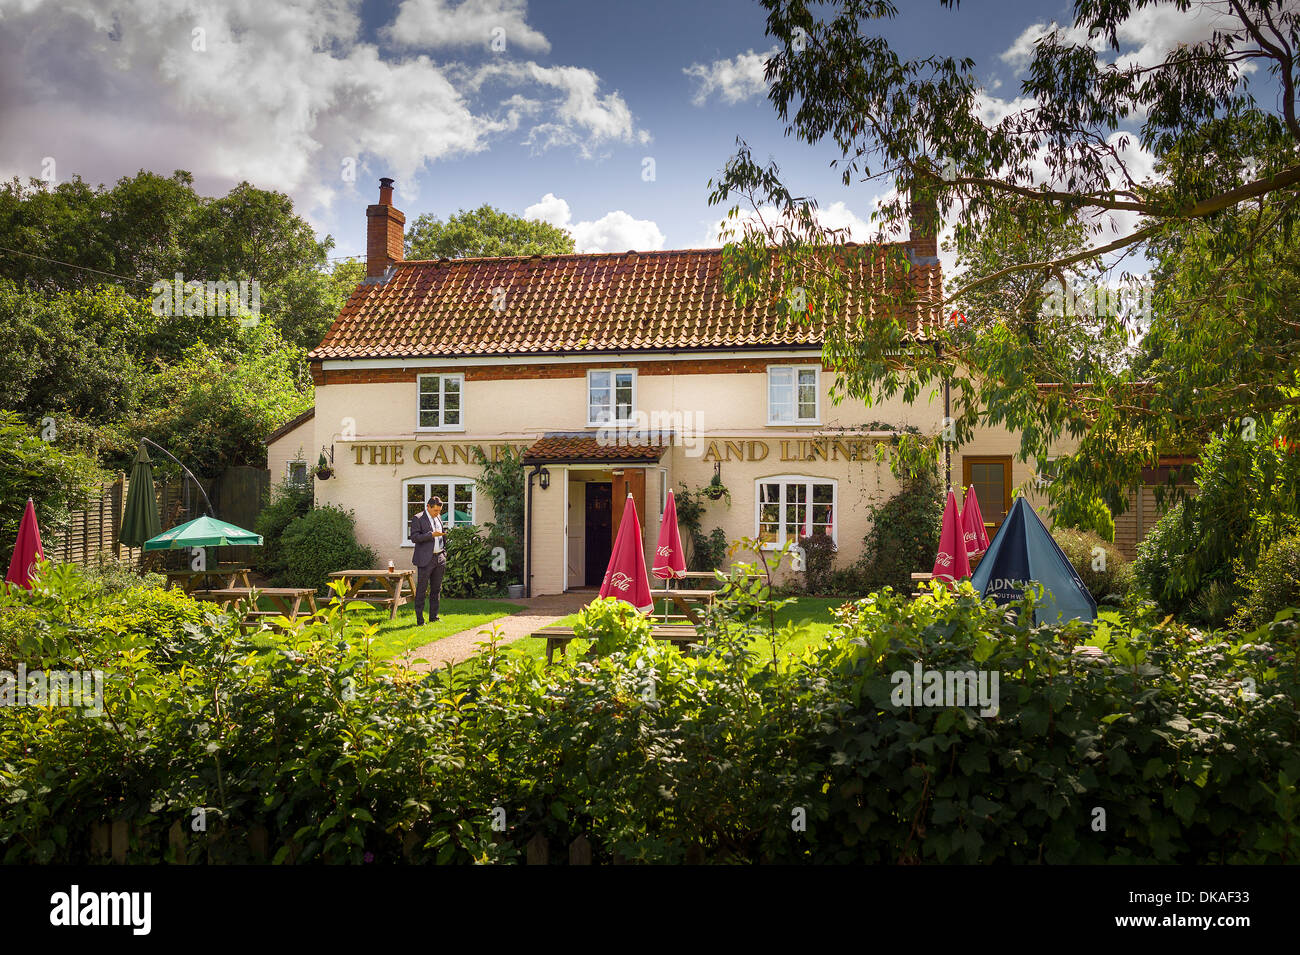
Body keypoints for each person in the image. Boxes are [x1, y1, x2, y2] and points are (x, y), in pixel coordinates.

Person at [409, 496, 451, 625]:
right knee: (421, 590)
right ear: (428, 507)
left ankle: (434, 617)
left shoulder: (438, 518)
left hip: (439, 557)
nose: (438, 513)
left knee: (436, 589)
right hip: (425, 559)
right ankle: (420, 620)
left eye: (439, 511)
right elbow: (414, 537)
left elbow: (442, 534)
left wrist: (444, 552)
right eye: (435, 511)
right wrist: (431, 535)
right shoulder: (418, 518)